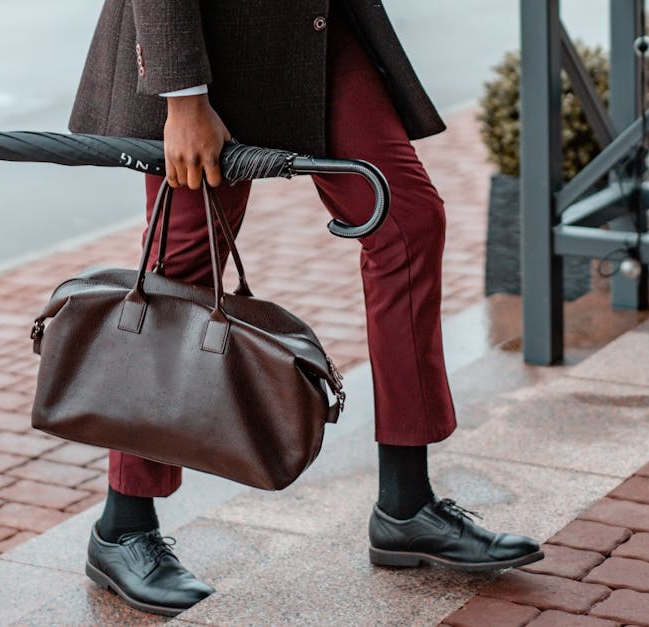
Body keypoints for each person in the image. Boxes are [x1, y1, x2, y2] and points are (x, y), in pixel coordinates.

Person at [68, 0, 543, 617]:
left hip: (314, 24)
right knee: (182, 270)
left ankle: (407, 505)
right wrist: (182, 98)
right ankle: (122, 525)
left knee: (405, 221)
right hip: (205, 47)